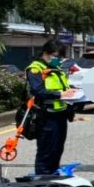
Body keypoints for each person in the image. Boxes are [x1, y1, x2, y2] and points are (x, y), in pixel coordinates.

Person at [26, 40, 77, 175]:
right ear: (46, 53)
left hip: (60, 115)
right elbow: (38, 90)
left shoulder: (57, 69)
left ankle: (53, 176)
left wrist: (71, 91)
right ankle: (42, 179)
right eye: (56, 56)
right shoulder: (35, 68)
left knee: (57, 149)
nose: (58, 59)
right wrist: (60, 94)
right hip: (46, 117)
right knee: (46, 151)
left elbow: (63, 87)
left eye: (60, 57)